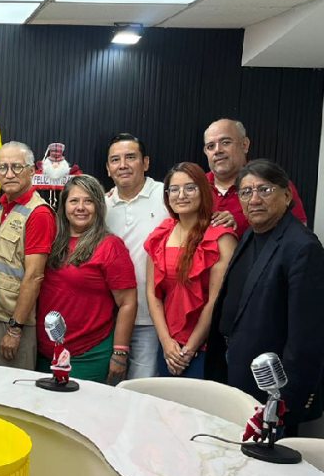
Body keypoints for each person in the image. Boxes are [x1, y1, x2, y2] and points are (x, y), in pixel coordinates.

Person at [207, 159, 324, 434]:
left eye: (265, 190)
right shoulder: (251, 234)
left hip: (271, 387)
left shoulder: (303, 248)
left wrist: (284, 404)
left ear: (287, 195)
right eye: (246, 192)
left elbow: (306, 338)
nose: (254, 199)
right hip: (236, 368)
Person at [37, 175, 137, 384]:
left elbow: (127, 303)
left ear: (98, 206)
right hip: (44, 353)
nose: (80, 207)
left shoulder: (110, 246)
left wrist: (120, 353)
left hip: (87, 355)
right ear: (64, 206)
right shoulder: (52, 240)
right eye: (74, 201)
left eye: (88, 201)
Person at [144, 163, 237, 379]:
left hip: (205, 349)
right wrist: (166, 342)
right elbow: (152, 293)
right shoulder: (160, 234)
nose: (181, 195)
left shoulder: (220, 237)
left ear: (203, 191)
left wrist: (188, 350)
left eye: (190, 188)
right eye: (174, 189)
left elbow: (216, 301)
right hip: (168, 348)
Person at [0, 141, 56, 370]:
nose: (9, 174)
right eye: (3, 168)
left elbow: (34, 276)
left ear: (32, 171)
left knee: (10, 388)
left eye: (17, 167)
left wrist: (15, 328)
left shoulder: (38, 214)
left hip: (9, 323)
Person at [103, 133, 170, 379]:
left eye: (130, 157)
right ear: (108, 169)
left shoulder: (167, 196)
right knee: (105, 390)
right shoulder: (101, 205)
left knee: (141, 390)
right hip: (108, 320)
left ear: (146, 162)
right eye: (115, 160)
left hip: (150, 320)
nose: (123, 165)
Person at [202, 119, 306, 236]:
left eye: (226, 142)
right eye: (211, 146)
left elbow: (298, 237)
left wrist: (239, 230)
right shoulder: (195, 186)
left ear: (245, 145)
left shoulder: (273, 182)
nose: (217, 150)